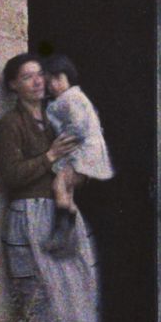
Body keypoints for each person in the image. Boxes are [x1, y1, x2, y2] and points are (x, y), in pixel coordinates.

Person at [0, 51, 100, 322]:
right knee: (42, 294)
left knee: (79, 288)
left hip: (61, 214)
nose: (37, 81)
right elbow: (12, 176)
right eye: (27, 77)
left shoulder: (59, 117)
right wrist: (50, 155)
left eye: (40, 74)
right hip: (31, 216)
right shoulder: (11, 124)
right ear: (14, 85)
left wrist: (79, 170)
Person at [42, 54, 113, 222]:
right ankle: (71, 210)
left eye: (58, 78)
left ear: (69, 77)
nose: (53, 85)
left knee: (58, 184)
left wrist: (64, 138)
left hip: (83, 151)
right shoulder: (75, 97)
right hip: (87, 149)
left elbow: (79, 126)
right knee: (68, 187)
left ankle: (62, 218)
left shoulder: (70, 99)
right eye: (49, 81)